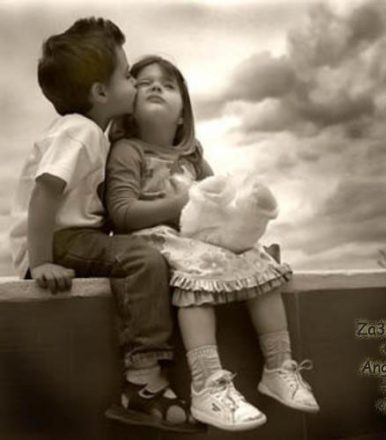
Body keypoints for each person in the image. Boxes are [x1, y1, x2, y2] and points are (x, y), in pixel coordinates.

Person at [106, 55, 320, 432]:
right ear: (130, 108)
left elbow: (220, 204)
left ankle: (278, 367)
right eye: (145, 83)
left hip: (195, 240)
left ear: (182, 115)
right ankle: (207, 385)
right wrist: (183, 202)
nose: (156, 87)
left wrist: (246, 222)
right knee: (198, 270)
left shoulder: (193, 156)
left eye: (168, 85)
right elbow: (121, 213)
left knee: (258, 261)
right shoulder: (129, 151)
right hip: (155, 239)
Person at [9, 19, 201, 433]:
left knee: (141, 254)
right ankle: (144, 381)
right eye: (128, 75)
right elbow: (44, 194)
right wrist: (39, 262)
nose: (135, 83)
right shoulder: (79, 133)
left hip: (74, 239)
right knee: (141, 259)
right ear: (100, 92)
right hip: (59, 241)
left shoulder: (94, 135)